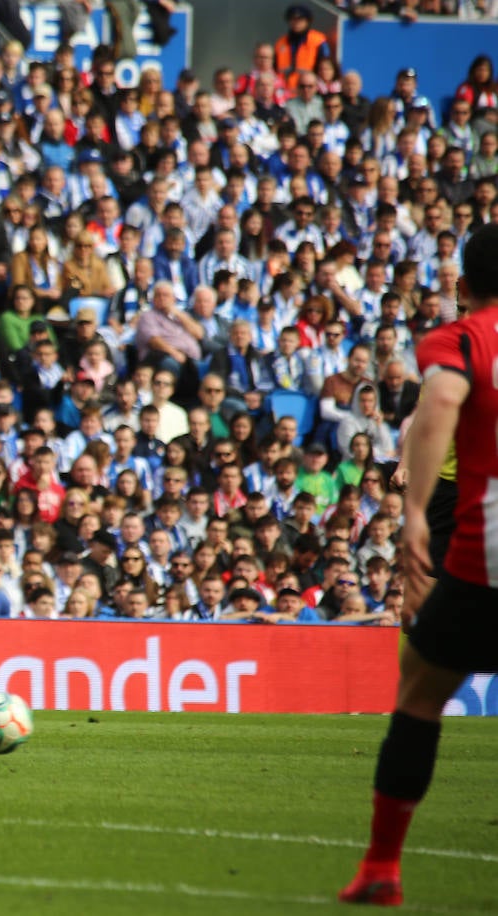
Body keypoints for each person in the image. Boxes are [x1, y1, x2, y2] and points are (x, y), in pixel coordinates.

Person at [339, 224, 498, 906]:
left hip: (484, 554)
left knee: (419, 693)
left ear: (464, 286)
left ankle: (381, 866)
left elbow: (438, 404)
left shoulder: (462, 338)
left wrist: (411, 513)